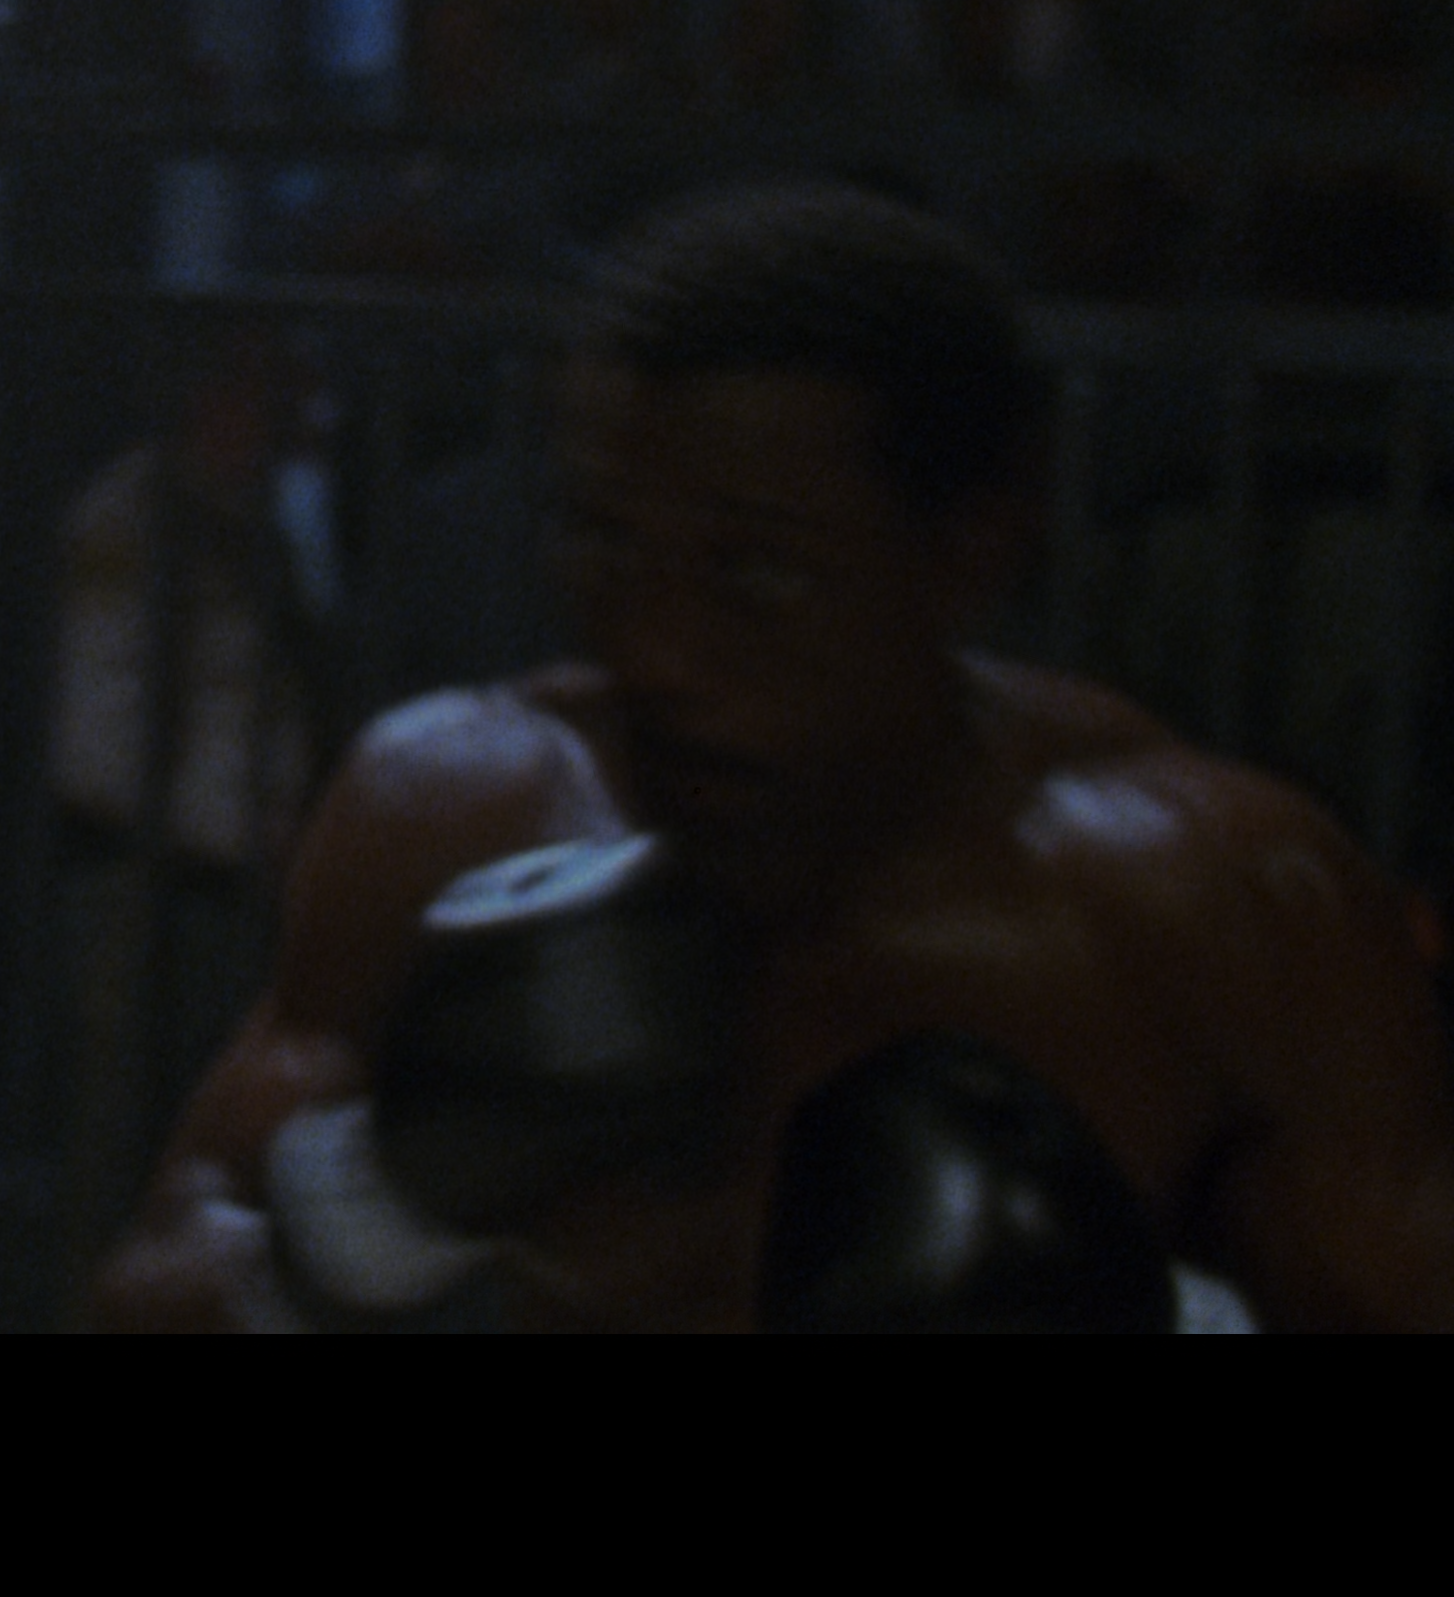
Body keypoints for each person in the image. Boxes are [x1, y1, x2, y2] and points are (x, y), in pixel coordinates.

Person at [94, 181, 1454, 1331]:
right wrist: (379, 1195)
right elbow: (139, 1303)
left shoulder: (1208, 909)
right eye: (607, 541)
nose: (656, 649)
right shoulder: (451, 813)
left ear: (969, 546)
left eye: (760, 575)